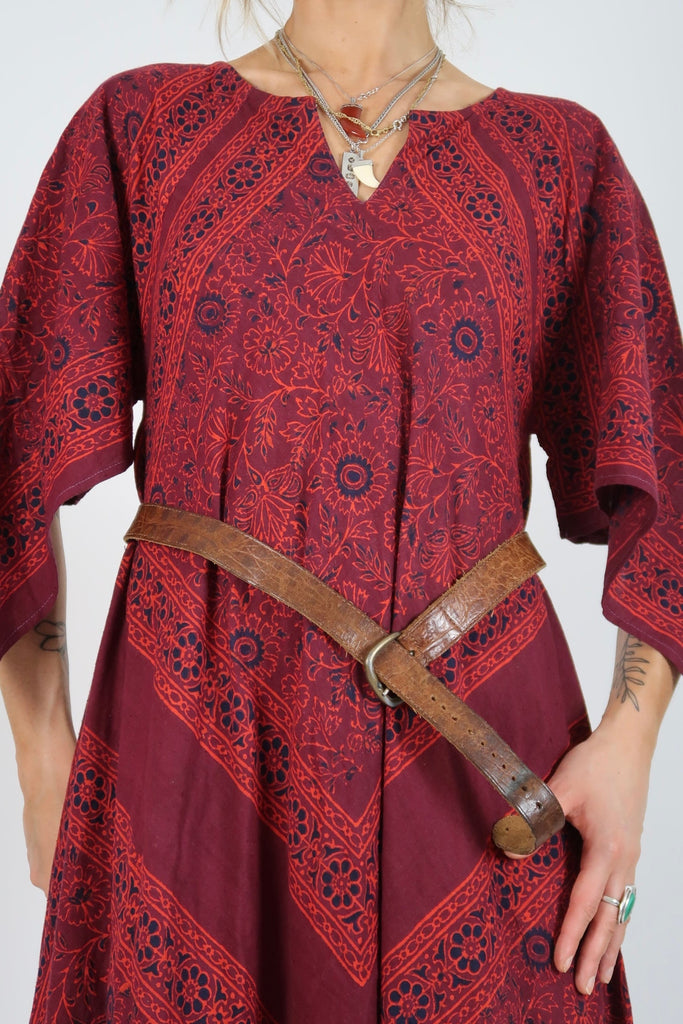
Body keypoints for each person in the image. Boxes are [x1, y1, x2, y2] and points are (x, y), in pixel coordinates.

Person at [0, 0, 680, 1020]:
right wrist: (41, 751)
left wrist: (630, 748)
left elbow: (662, 470)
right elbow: (19, 443)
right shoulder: (140, 130)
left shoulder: (559, 159)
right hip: (194, 740)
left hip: (482, 751)